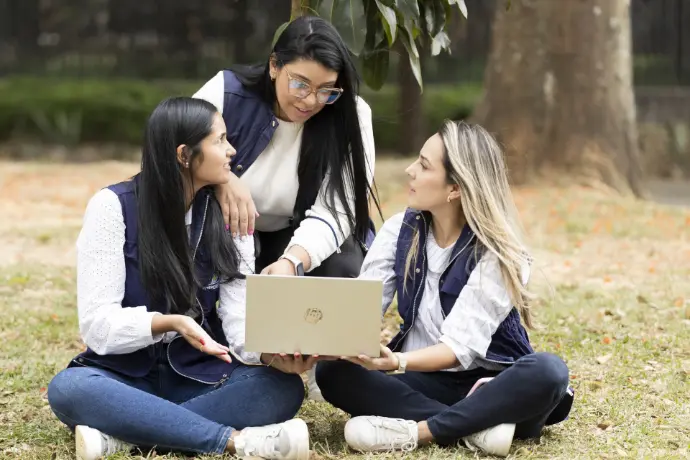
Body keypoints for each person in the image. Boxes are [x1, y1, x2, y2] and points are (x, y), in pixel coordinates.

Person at [47, 97, 314, 460]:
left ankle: (126, 437)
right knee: (69, 387)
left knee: (282, 387)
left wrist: (271, 353)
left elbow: (239, 318)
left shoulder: (229, 213)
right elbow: (98, 327)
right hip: (124, 376)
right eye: (220, 140)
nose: (232, 150)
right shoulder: (112, 207)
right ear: (185, 154)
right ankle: (235, 441)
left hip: (200, 375)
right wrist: (169, 323)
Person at [315, 120, 575, 457]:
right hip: (427, 383)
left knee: (549, 371)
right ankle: (478, 430)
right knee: (334, 373)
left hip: (493, 387)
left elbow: (457, 350)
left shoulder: (497, 254)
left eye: (424, 166)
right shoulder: (399, 231)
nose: (410, 170)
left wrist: (397, 361)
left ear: (455, 188)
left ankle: (422, 431)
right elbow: (359, 310)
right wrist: (323, 340)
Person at [193, 15, 380, 399]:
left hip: (294, 233)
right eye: (301, 84)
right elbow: (176, 153)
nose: (311, 100)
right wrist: (223, 179)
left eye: (327, 90)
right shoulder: (225, 92)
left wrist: (293, 261)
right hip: (225, 226)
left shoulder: (352, 114)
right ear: (274, 66)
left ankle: (318, 360)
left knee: (343, 264)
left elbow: (338, 209)